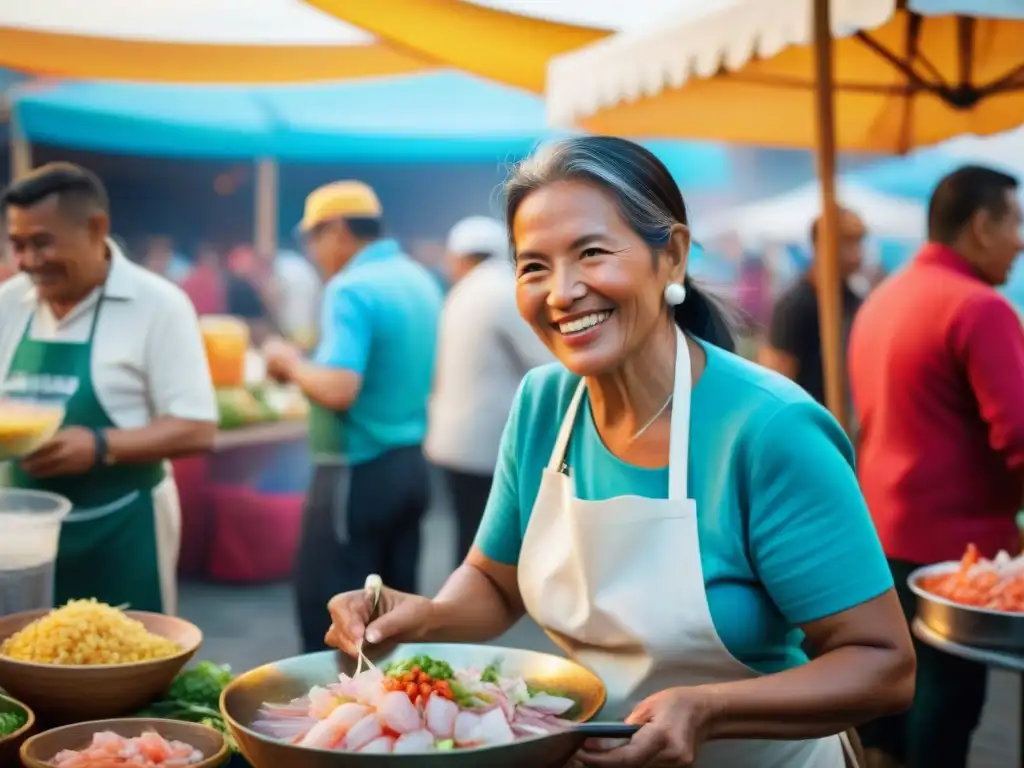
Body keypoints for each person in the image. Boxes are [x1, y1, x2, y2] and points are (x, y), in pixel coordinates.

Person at [324, 137, 914, 767]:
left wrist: (709, 708)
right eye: (534, 266)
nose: (562, 291)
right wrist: (425, 615)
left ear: (673, 257)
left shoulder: (771, 429)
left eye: (592, 253)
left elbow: (883, 665)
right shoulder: (543, 403)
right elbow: (495, 583)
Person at [850, 166, 1024, 768]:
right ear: (980, 226)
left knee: (890, 703)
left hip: (879, 533)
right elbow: (1021, 433)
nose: (1021, 241)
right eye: (1016, 222)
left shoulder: (882, 298)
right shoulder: (980, 306)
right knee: (945, 709)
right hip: (959, 555)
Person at [0, 163, 217, 614]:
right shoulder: (9, 303)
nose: (27, 262)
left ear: (97, 227)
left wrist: (100, 445)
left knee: (127, 666)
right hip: (22, 534)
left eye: (42, 242)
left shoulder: (159, 305)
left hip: (123, 532)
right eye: (17, 245)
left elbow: (198, 428)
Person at [263, 180, 443, 654]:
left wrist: (288, 363)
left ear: (339, 231)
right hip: (410, 465)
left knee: (333, 617)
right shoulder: (417, 277)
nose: (313, 251)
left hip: (356, 471)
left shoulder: (350, 287)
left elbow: (340, 388)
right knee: (392, 613)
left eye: (313, 238)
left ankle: (333, 720)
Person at [425, 216, 553, 565]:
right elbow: (547, 361)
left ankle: (463, 609)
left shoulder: (464, 291)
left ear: (464, 257)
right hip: (484, 443)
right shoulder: (502, 290)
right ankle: (468, 612)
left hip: (458, 440)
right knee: (484, 544)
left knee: (470, 536)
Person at [759, 209, 866, 405]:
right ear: (820, 246)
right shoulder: (795, 305)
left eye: (859, 242)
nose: (856, 253)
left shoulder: (855, 301)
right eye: (847, 243)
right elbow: (776, 381)